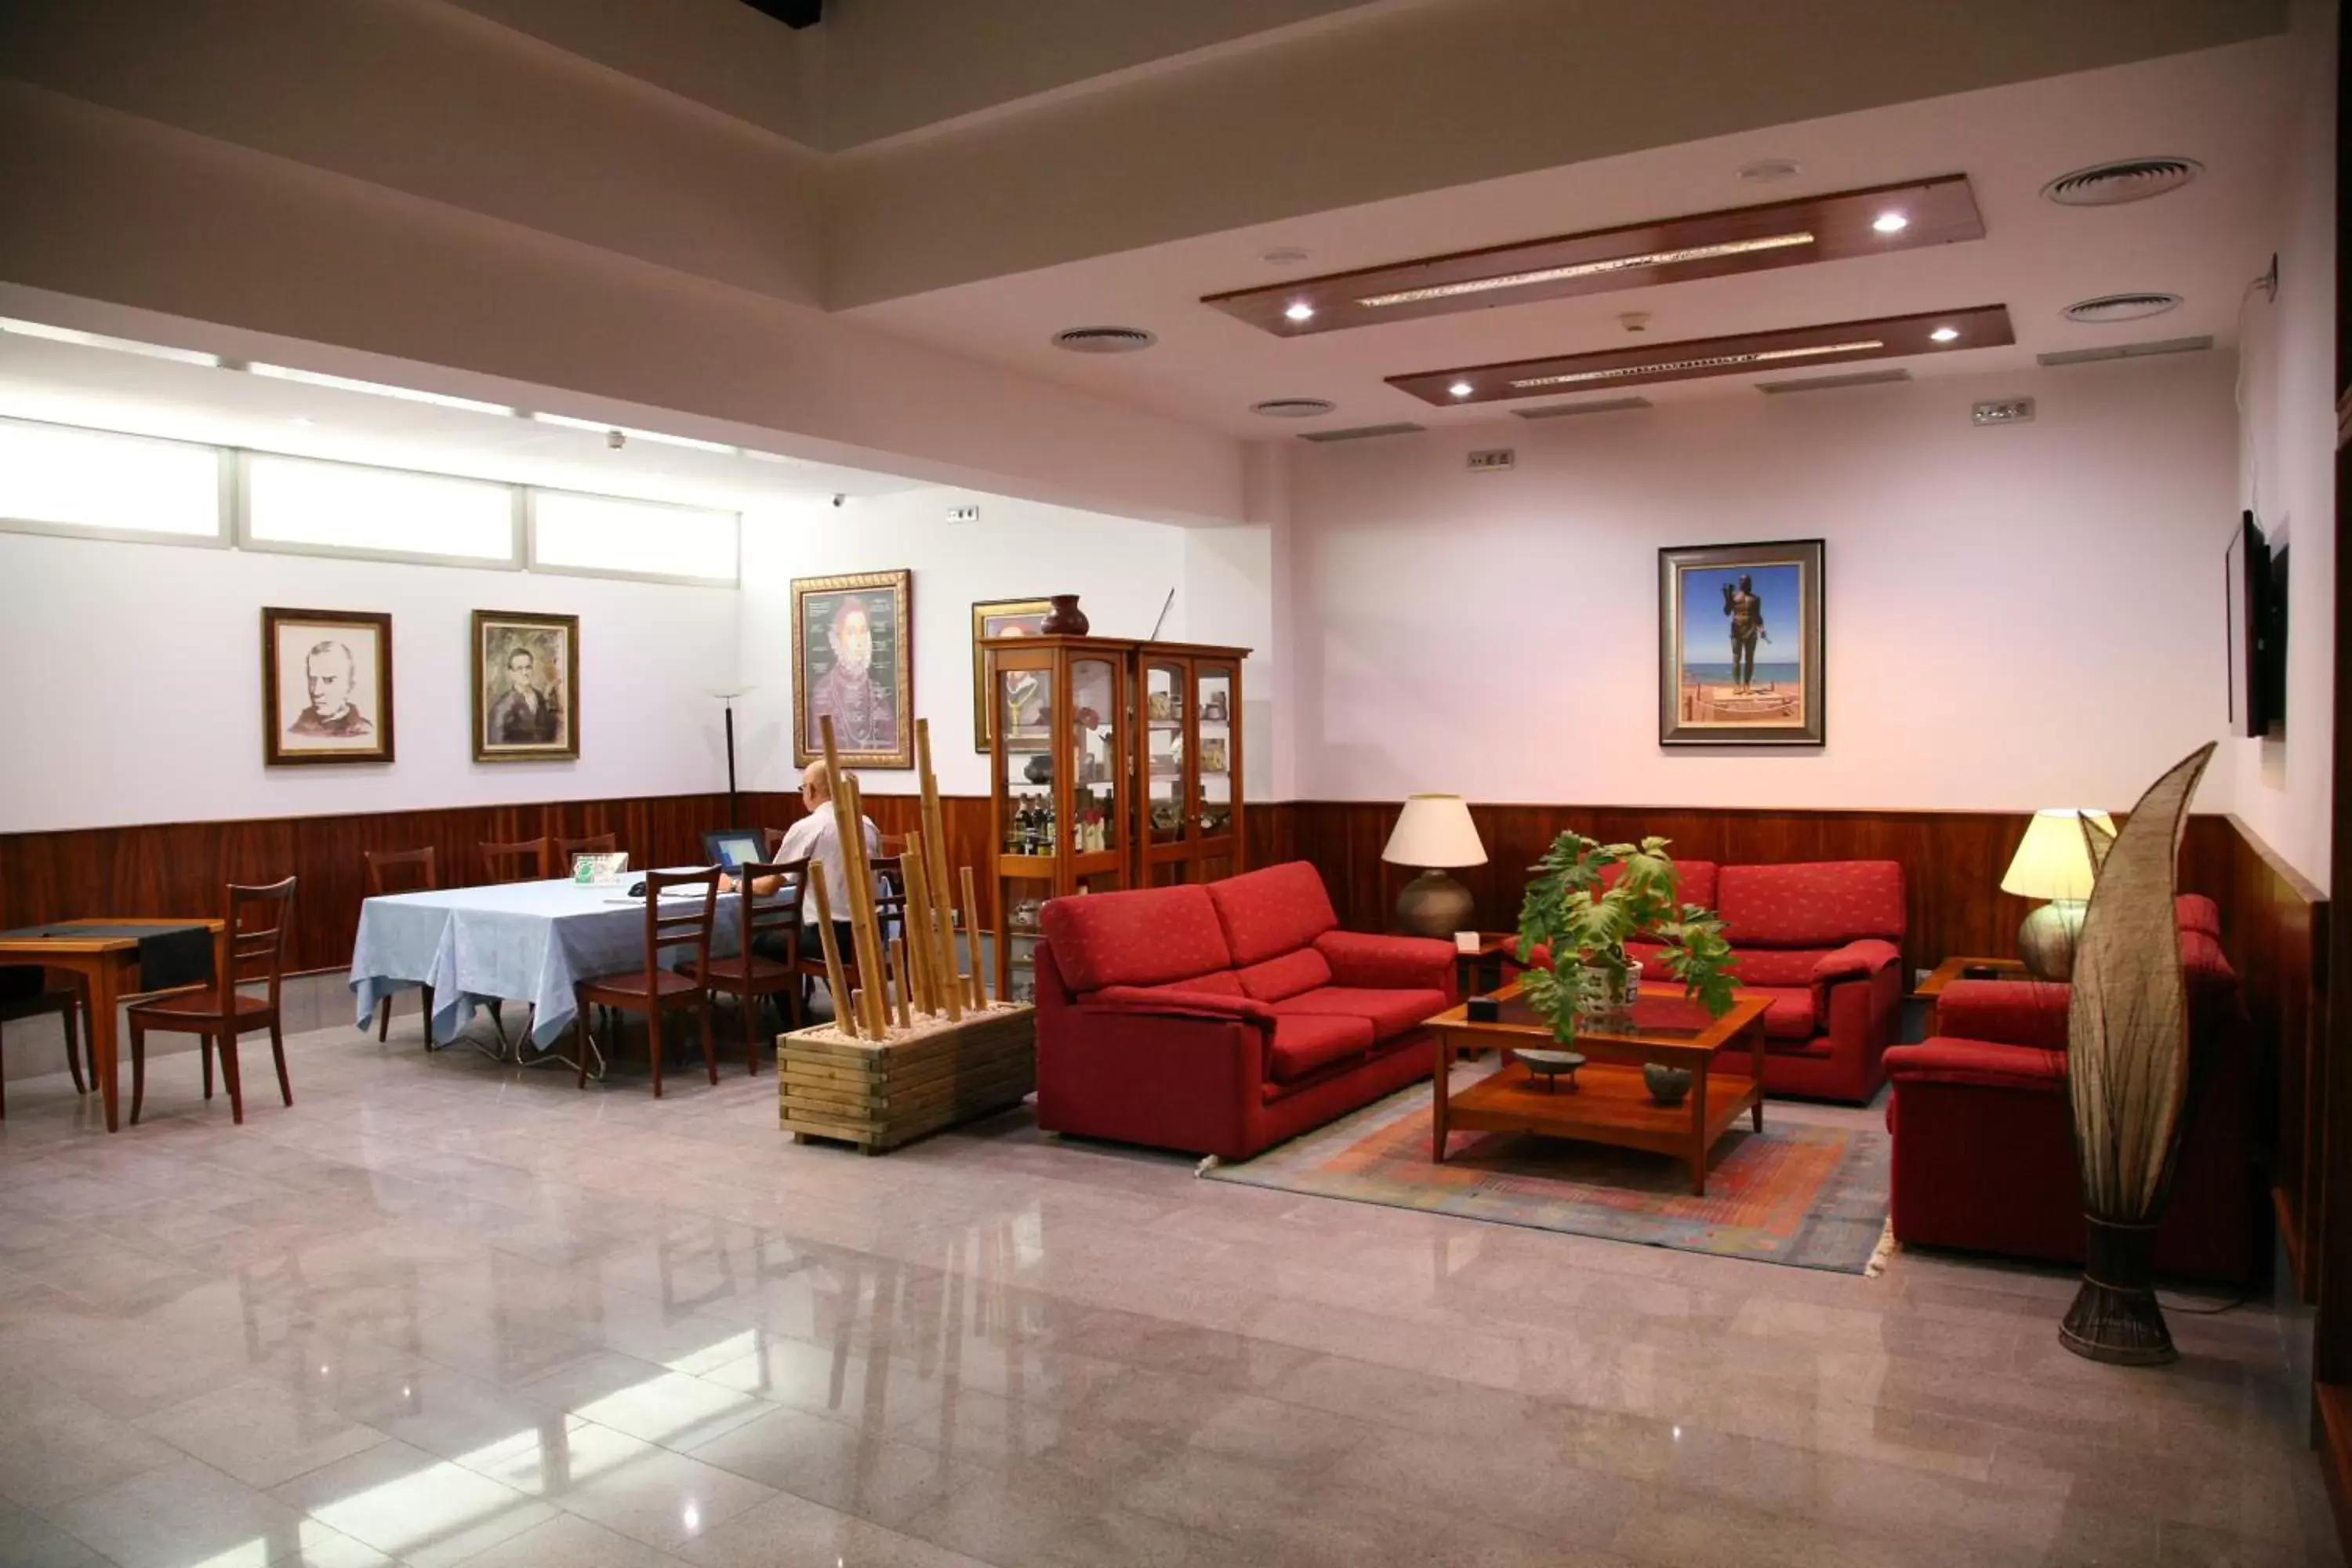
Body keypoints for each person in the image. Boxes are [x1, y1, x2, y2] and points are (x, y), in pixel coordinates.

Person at [720, 761, 879, 974]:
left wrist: (732, 884)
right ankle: (843, 1002)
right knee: (788, 936)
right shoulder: (867, 825)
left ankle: (793, 1008)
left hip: (829, 939)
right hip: (871, 934)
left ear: (811, 790)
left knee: (761, 943)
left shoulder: (808, 828)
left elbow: (768, 887)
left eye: (802, 788)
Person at [806, 595, 898, 753]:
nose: (859, 641)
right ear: (838, 638)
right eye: (851, 632)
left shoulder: (877, 693)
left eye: (863, 632)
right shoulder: (824, 690)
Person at [288, 640, 372, 737]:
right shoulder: (297, 731)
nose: (316, 691)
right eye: (312, 680)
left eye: (329, 680)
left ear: (350, 684)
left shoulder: (366, 733)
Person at [488, 644, 561, 746]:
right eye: (519, 668)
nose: (525, 672)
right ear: (511, 673)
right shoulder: (502, 707)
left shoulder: (541, 699)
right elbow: (497, 743)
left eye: (528, 667)